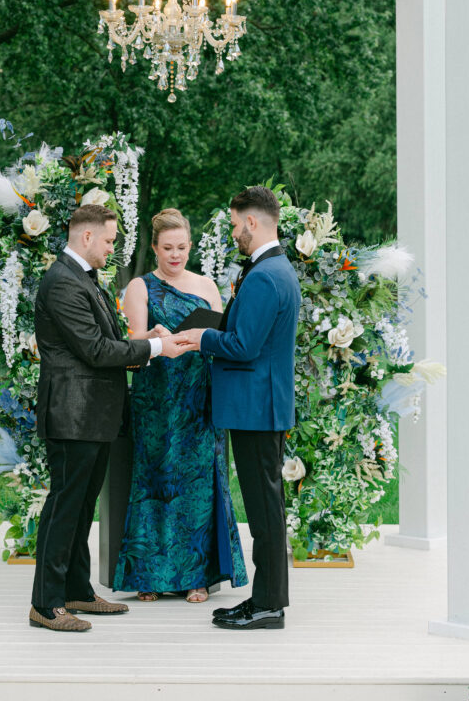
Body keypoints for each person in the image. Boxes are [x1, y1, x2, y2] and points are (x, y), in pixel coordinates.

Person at [29, 203, 191, 633]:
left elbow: (107, 340)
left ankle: (77, 590)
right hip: (72, 415)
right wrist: (157, 349)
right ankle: (45, 604)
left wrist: (148, 337)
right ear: (87, 237)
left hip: (92, 416)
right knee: (65, 508)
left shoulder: (83, 278)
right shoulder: (63, 282)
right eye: (109, 240)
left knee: (81, 508)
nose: (112, 248)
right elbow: (96, 351)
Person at [176, 186, 301, 631]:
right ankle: (265, 600)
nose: (233, 232)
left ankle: (268, 606)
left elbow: (244, 347)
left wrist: (200, 338)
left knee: (265, 514)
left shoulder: (266, 276)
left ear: (252, 222)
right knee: (265, 510)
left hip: (256, 408)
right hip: (258, 406)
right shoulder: (271, 269)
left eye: (234, 224)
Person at [112, 208, 247, 603]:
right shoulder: (140, 287)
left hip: (199, 396)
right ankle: (149, 575)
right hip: (156, 398)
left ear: (190, 246)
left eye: (182, 247)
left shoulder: (206, 285)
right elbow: (133, 344)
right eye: (167, 248)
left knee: (197, 485)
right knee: (154, 483)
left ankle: (197, 577)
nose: (175, 255)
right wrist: (152, 335)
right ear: (154, 248)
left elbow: (223, 340)